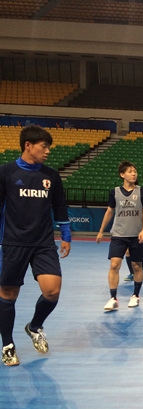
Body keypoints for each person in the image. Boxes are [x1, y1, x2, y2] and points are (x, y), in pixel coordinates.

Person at [0, 125, 71, 367]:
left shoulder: (51, 176)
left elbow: (59, 206)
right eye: (44, 146)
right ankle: (8, 345)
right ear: (27, 145)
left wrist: (66, 234)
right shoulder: (6, 173)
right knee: (9, 294)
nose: (48, 151)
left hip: (43, 243)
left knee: (52, 290)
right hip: (13, 242)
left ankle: (34, 326)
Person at [96, 161, 143, 310]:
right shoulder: (115, 192)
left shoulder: (142, 192)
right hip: (118, 235)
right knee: (114, 265)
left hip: (136, 235)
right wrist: (101, 230)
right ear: (122, 175)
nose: (134, 173)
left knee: (136, 267)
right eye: (130, 171)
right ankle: (113, 298)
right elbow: (109, 211)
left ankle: (135, 295)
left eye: (135, 171)